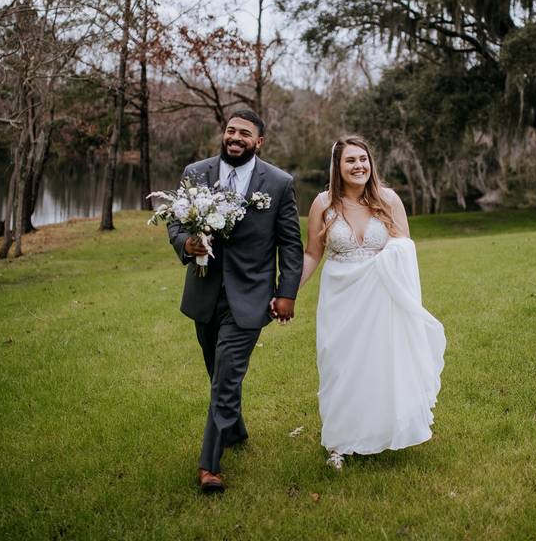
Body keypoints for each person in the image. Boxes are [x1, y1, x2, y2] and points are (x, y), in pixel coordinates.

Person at [167, 110, 303, 493]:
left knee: (226, 379)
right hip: (204, 292)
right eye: (230, 130)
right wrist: (186, 244)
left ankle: (209, 465)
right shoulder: (196, 172)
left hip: (251, 296)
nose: (235, 137)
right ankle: (237, 429)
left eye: (245, 132)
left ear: (259, 141)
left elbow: (290, 245)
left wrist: (286, 292)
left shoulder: (278, 183)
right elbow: (175, 223)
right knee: (217, 372)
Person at [299, 135, 446, 469]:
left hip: (381, 296)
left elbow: (405, 247)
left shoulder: (388, 199)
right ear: (337, 166)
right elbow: (312, 254)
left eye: (363, 159)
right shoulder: (323, 204)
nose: (359, 166)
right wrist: (286, 293)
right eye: (350, 160)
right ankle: (338, 442)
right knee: (339, 367)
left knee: (379, 365)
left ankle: (379, 433)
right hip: (340, 298)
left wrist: (390, 262)